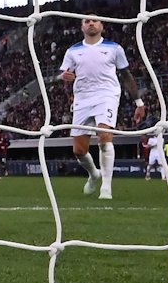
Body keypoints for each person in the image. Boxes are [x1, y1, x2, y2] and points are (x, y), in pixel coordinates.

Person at [59, 18, 146, 200]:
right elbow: (63, 75)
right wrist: (63, 76)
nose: (91, 23)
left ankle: (106, 187)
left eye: (95, 21)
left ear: (102, 26)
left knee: (104, 138)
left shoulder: (115, 48)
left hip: (107, 95)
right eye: (87, 21)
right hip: (82, 99)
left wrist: (139, 102)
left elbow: (126, 75)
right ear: (82, 27)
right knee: (79, 151)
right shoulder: (73, 51)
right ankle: (94, 174)